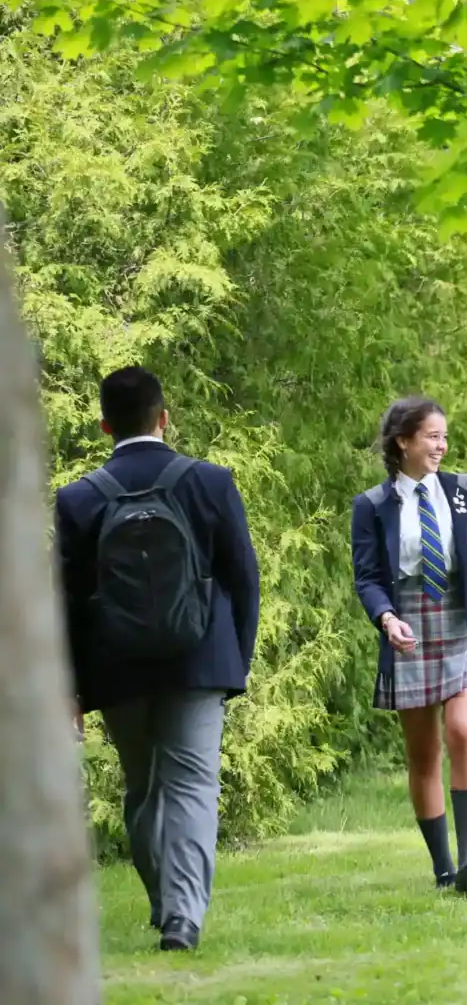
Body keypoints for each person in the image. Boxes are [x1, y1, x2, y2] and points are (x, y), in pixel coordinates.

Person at [54, 366, 260, 951]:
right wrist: (234, 660)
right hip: (200, 662)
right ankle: (183, 919)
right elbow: (244, 581)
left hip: (116, 668)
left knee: (143, 787)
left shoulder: (76, 500)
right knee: (193, 785)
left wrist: (72, 685)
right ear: (163, 418)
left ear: (104, 426)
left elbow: (64, 602)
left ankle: (165, 903)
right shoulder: (210, 482)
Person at [350, 396, 467, 894]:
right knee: (423, 754)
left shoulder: (464, 491)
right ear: (404, 441)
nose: (442, 445)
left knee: (464, 731)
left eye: (445, 436)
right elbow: (369, 578)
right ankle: (443, 869)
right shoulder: (372, 506)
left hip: (465, 624)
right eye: (433, 436)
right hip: (409, 627)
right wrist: (386, 618)